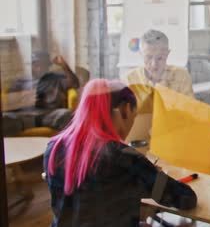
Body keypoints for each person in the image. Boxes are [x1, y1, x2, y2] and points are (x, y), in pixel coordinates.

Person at [44, 79, 197, 227]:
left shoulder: (54, 147)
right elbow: (185, 198)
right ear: (125, 109)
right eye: (134, 116)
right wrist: (152, 175)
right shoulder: (123, 157)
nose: (131, 124)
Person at [122, 29, 194, 112]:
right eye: (148, 57)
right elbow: (124, 117)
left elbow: (190, 112)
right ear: (141, 54)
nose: (154, 64)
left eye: (160, 58)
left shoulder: (182, 76)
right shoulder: (129, 80)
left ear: (167, 54)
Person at [5, 52, 79, 131]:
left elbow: (74, 84)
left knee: (66, 114)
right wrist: (24, 100)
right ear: (32, 66)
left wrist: (64, 65)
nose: (39, 68)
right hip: (25, 116)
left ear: (47, 67)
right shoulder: (22, 81)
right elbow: (9, 101)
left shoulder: (55, 78)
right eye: (36, 65)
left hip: (48, 115)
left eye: (43, 65)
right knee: (6, 118)